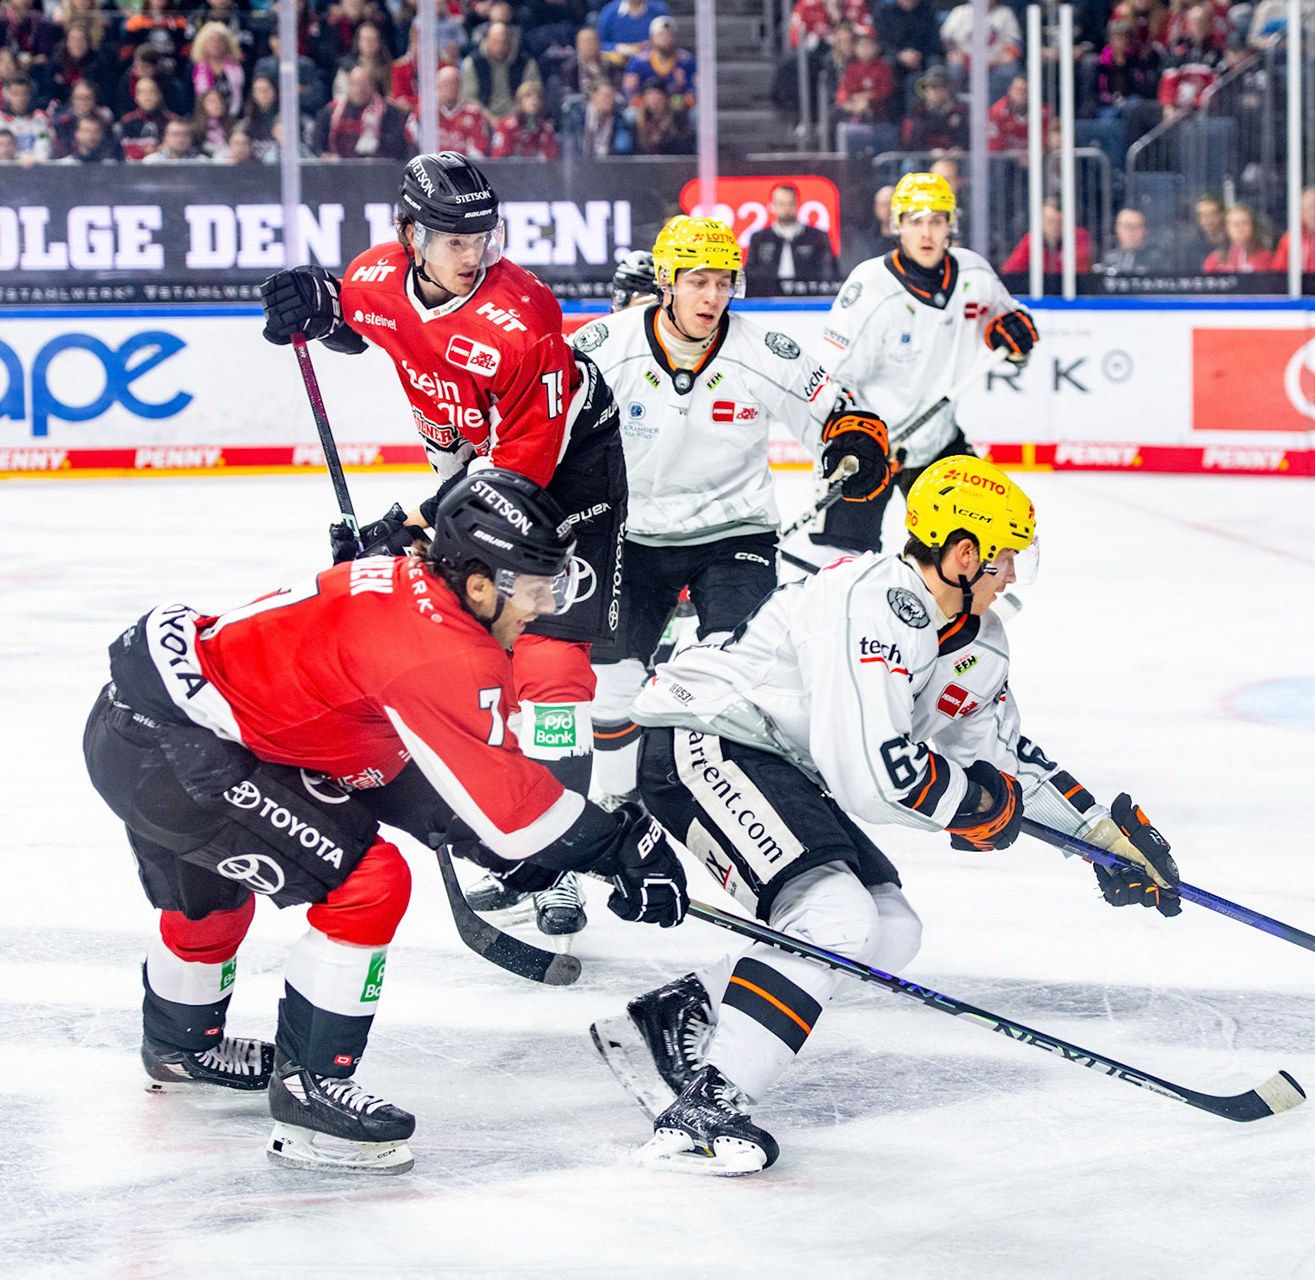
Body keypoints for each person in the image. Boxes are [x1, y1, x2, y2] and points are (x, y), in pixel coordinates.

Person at [81, 470, 688, 1173]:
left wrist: (482, 839)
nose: (548, 603)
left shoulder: (406, 582)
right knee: (369, 883)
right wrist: (619, 844)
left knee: (214, 892)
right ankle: (311, 1099)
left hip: (147, 725)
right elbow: (517, 814)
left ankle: (179, 1045)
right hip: (178, 760)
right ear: (480, 584)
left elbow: (367, 752)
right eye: (534, 586)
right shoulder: (445, 653)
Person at [592, 454, 1184, 1173]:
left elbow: (1003, 760)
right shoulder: (870, 606)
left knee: (892, 929)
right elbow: (872, 778)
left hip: (779, 763)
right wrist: (973, 805)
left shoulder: (980, 642)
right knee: (834, 918)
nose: (1011, 575)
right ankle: (703, 1114)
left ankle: (679, 1018)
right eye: (1005, 557)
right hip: (704, 738)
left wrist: (1099, 839)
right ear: (962, 555)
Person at [258, 151, 631, 932]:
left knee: (548, 663)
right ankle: (515, 836)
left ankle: (558, 865)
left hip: (571, 473)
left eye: (483, 238)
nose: (474, 255)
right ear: (410, 237)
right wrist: (316, 310)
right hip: (471, 474)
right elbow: (362, 326)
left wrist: (408, 528)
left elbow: (521, 475)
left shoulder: (522, 317)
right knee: (468, 653)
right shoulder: (374, 276)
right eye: (456, 240)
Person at [573, 215, 885, 806]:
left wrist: (852, 441)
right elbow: (545, 424)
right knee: (612, 684)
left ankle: (736, 803)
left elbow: (836, 412)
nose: (712, 297)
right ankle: (619, 808)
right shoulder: (605, 346)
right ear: (666, 282)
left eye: (723, 282)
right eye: (698, 282)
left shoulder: (762, 350)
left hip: (733, 535)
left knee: (736, 675)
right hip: (630, 536)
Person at [811, 172, 1035, 559]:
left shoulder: (975, 274)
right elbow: (828, 378)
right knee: (841, 560)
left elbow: (1012, 333)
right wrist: (855, 436)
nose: (926, 232)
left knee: (971, 550)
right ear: (897, 225)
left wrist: (1018, 343)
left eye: (937, 220)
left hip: (939, 442)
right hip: (871, 445)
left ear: (951, 225)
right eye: (915, 221)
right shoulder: (870, 287)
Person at [743, 184, 838, 298]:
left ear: (797, 204)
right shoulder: (759, 238)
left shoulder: (817, 236)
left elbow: (829, 272)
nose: (786, 208)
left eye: (790, 203)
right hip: (768, 299)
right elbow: (750, 274)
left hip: (808, 298)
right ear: (773, 205)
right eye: (781, 204)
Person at [315, 64, 407, 159]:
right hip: (339, 165)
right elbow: (318, 143)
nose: (360, 88)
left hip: (377, 165)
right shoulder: (331, 111)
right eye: (356, 83)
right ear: (349, 85)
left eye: (364, 83)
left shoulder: (389, 112)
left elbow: (397, 145)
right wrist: (324, 155)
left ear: (373, 85)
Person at [407, 64, 491, 157]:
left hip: (461, 163)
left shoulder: (473, 113)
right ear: (437, 86)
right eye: (445, 84)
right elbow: (411, 137)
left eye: (454, 83)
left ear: (460, 86)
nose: (450, 88)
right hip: (432, 163)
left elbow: (479, 150)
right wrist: (426, 109)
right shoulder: (426, 110)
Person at [998, 196, 1093, 276]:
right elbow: (1010, 272)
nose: (1055, 226)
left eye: (1060, 222)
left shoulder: (1079, 236)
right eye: (1050, 221)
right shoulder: (1033, 239)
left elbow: (1077, 272)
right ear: (1041, 222)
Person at [621, 14, 693, 111]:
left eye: (670, 35)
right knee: (631, 114)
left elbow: (695, 91)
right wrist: (649, 103)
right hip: (645, 108)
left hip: (678, 108)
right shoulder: (638, 61)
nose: (666, 39)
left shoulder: (686, 61)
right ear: (652, 37)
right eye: (661, 35)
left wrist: (674, 102)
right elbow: (630, 91)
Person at [0, 74, 53, 161]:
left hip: (34, 166)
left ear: (30, 95)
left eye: (24, 94)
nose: (20, 98)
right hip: (4, 167)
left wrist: (35, 160)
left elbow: (45, 143)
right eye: (15, 94)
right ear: (7, 95)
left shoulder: (41, 118)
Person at [487, 79, 558, 158]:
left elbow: (551, 159)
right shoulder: (506, 126)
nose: (534, 100)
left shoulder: (546, 129)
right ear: (520, 101)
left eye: (539, 97)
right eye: (528, 96)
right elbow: (499, 157)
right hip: (511, 165)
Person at [1203, 201, 1270, 272]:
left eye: (1244, 222)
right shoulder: (1216, 259)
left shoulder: (1265, 257)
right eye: (1234, 223)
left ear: (1253, 226)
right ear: (1226, 228)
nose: (1239, 227)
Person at [1100, 206, 1162, 274]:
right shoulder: (1109, 259)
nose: (1130, 232)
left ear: (1145, 230)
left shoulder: (1156, 260)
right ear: (1117, 228)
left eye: (1136, 226)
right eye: (1126, 226)